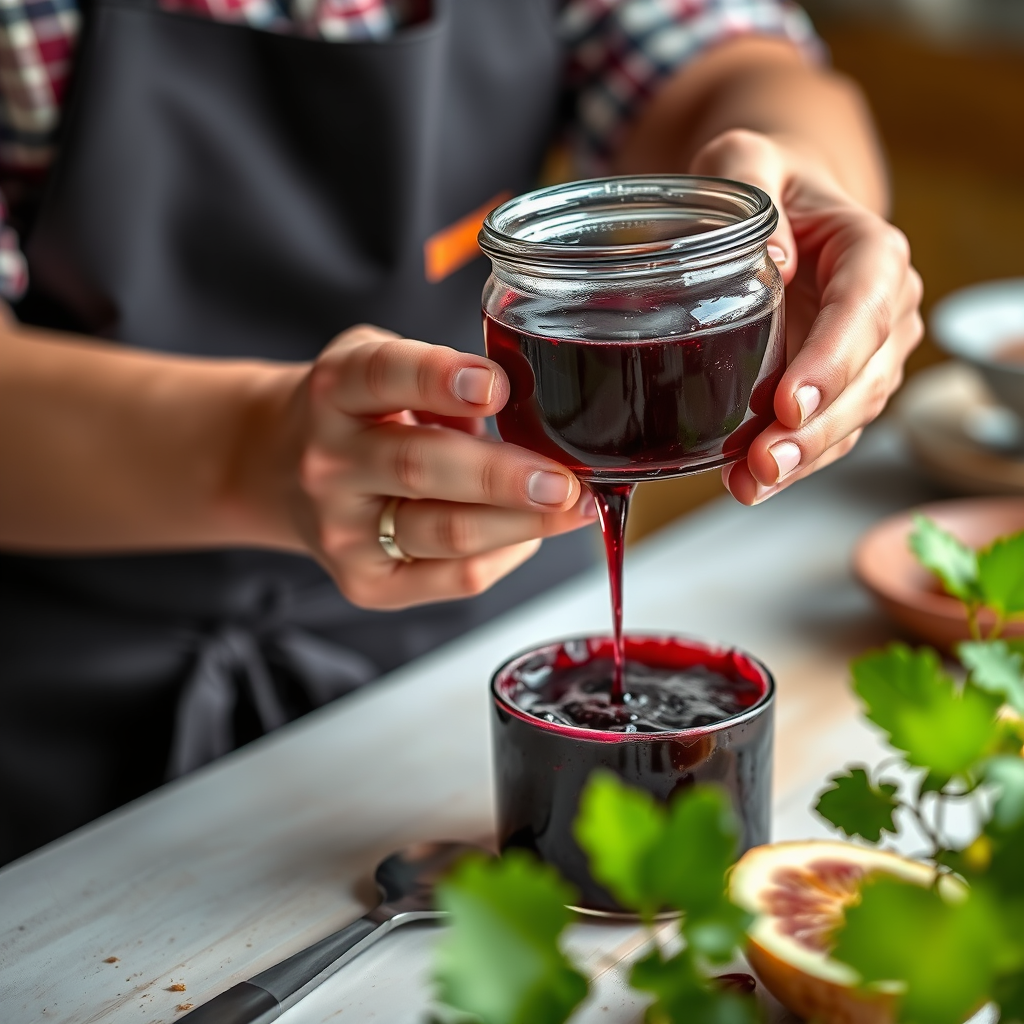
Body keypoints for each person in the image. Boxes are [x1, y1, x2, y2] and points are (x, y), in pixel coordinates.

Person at [0, 0, 922, 863]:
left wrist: (796, 176)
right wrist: (251, 450)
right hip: (84, 706)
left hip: (492, 591)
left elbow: (724, 55)